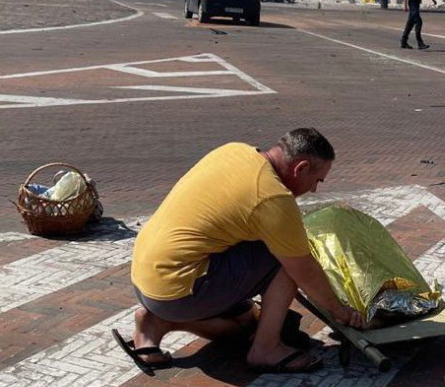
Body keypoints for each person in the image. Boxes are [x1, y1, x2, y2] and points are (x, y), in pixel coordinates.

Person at [113, 128, 366, 374]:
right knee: (288, 259)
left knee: (245, 325)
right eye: (316, 180)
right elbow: (304, 272)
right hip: (178, 290)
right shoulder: (273, 198)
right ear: (301, 168)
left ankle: (157, 322)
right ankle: (266, 349)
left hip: (146, 278)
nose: (314, 190)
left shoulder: (234, 151)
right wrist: (341, 311)